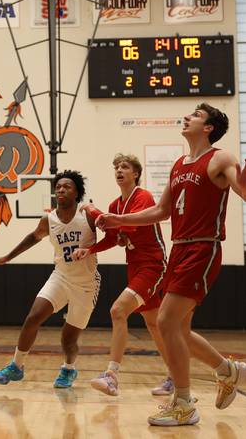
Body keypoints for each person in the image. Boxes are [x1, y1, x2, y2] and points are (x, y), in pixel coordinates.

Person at [97, 103, 246, 426]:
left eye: (195, 116)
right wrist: (117, 218)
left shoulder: (220, 158)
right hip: (179, 250)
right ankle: (227, 371)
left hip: (203, 248)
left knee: (167, 322)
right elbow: (160, 212)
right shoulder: (179, 164)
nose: (187, 118)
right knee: (179, 330)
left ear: (209, 127)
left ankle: (183, 402)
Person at [73, 154, 172, 396]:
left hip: (153, 265)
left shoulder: (143, 196)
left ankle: (111, 376)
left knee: (118, 311)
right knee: (154, 324)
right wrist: (90, 249)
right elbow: (113, 236)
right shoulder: (116, 205)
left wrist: (95, 213)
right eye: (116, 167)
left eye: (125, 167)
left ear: (135, 173)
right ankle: (175, 376)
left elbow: (132, 225)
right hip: (134, 265)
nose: (119, 170)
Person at [0, 171, 99, 389]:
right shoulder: (48, 219)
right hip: (60, 276)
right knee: (33, 317)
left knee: (68, 338)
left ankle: (69, 369)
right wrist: (8, 257)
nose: (61, 189)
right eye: (58, 186)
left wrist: (123, 237)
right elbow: (33, 237)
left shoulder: (87, 214)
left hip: (86, 284)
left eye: (66, 186)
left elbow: (111, 228)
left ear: (77, 192)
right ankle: (16, 366)